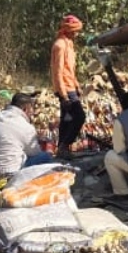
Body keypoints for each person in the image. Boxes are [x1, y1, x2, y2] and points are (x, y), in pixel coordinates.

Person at [0, 92, 54, 181]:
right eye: (31, 108)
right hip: (7, 175)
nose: (32, 112)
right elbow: (34, 153)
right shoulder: (26, 127)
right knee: (45, 156)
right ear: (25, 109)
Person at [50, 14, 85, 156]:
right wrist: (64, 96)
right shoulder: (59, 45)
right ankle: (65, 145)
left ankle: (61, 149)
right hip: (64, 88)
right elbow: (57, 72)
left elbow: (69, 69)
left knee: (66, 119)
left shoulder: (69, 45)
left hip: (70, 86)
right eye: (75, 31)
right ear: (68, 30)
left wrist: (77, 85)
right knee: (79, 116)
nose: (77, 34)